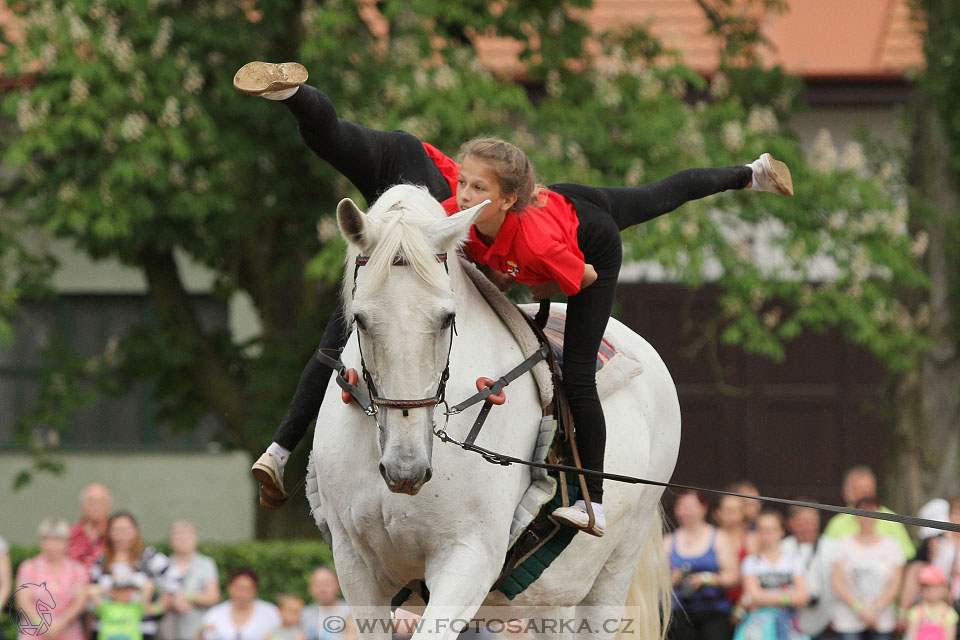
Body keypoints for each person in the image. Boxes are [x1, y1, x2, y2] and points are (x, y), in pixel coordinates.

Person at [232, 61, 795, 536]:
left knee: (582, 361)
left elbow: (580, 282)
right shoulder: (458, 209)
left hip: (586, 244)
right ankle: (293, 94)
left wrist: (511, 277)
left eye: (478, 190)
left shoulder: (540, 241)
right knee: (352, 146)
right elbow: (429, 191)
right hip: (537, 213)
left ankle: (593, 500)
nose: (463, 195)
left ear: (506, 200)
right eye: (463, 182)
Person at [665, 490, 740, 640]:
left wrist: (706, 579)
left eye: (690, 507)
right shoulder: (667, 542)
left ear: (703, 508)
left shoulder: (719, 537)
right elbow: (656, 583)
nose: (686, 512)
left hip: (714, 612)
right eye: (681, 506)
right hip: (679, 613)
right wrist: (672, 579)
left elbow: (733, 577)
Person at [830, 496, 906, 640]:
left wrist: (875, 609)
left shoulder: (892, 544)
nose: (867, 517)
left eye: (871, 512)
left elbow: (896, 583)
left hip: (882, 619)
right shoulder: (843, 544)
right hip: (848, 620)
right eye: (862, 512)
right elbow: (837, 581)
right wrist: (860, 608)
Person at [89, 513, 170, 640]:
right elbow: (92, 590)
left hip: (141, 629)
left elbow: (174, 578)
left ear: (135, 531)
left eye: (125, 529)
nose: (121, 535)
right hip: (107, 630)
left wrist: (158, 606)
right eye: (116, 529)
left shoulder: (147, 556)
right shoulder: (102, 559)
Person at [734, 510, 809, 640]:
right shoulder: (751, 562)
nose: (768, 534)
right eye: (763, 530)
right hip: (758, 627)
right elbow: (753, 595)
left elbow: (803, 596)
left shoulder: (794, 560)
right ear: (757, 533)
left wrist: (763, 597)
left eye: (772, 529)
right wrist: (788, 597)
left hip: (789, 624)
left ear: (781, 531)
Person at [14, 519, 90, 640]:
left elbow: (80, 601)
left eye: (57, 540)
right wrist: (42, 624)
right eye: (46, 539)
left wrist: (60, 624)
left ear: (66, 542)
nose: (51, 545)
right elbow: (23, 600)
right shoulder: (29, 567)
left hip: (68, 631)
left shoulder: (77, 569)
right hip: (34, 632)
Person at [823, 467, 914, 561]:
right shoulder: (837, 524)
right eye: (859, 490)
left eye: (869, 489)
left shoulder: (891, 519)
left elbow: (906, 558)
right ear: (847, 493)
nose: (865, 494)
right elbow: (826, 560)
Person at [780, 504, 838, 640]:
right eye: (803, 522)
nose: (808, 527)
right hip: (792, 621)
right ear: (791, 523)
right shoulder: (782, 548)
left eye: (812, 522)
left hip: (828, 621)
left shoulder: (833, 546)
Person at [157, 521, 220, 640]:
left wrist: (187, 596)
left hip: (198, 631)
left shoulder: (206, 564)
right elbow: (159, 601)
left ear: (196, 539)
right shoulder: (163, 565)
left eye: (187, 535)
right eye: (178, 535)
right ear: (171, 541)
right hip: (169, 632)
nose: (183, 539)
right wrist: (173, 602)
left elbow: (213, 597)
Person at [898, 498, 951, 628]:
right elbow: (909, 591)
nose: (935, 543)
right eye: (932, 539)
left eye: (940, 537)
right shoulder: (919, 566)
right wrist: (902, 614)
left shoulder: (954, 554)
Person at [199, 568, 281, 640]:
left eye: (247, 589)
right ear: (229, 588)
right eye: (238, 588)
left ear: (255, 590)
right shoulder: (214, 614)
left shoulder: (271, 613)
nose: (242, 594)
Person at [714, 492, 758, 612]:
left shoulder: (752, 539)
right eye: (728, 510)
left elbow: (758, 575)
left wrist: (743, 604)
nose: (731, 515)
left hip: (746, 603)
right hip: (715, 603)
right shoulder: (710, 538)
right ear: (718, 513)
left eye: (736, 511)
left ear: (743, 513)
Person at [927, 494, 960, 620]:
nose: (957, 519)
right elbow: (933, 570)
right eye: (955, 514)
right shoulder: (938, 541)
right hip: (941, 600)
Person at [904, 565, 958, 640]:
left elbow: (950, 636)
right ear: (921, 590)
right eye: (927, 587)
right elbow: (911, 634)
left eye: (935, 587)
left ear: (944, 588)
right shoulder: (916, 611)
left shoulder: (948, 613)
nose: (931, 591)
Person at [301, 567, 355, 640]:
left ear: (338, 585)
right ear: (311, 588)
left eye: (327, 583)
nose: (323, 589)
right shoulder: (304, 614)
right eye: (318, 584)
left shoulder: (352, 611)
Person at [68, 485, 113, 570]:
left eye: (101, 501)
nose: (96, 506)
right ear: (82, 506)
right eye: (91, 501)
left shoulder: (117, 534)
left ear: (109, 506)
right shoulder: (69, 533)